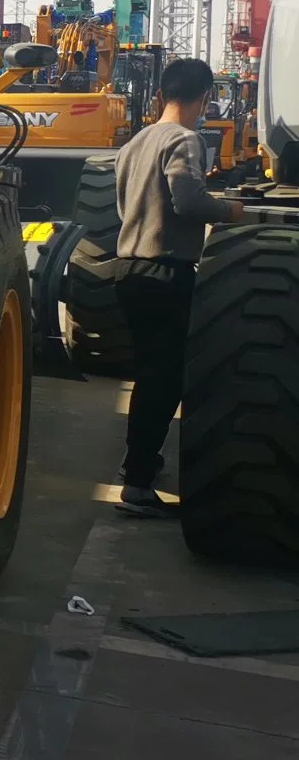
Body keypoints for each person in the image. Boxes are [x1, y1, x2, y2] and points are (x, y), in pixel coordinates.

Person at [110, 57, 256, 515]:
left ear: (160, 94)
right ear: (204, 98)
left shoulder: (136, 142)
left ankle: (139, 465)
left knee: (149, 376)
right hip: (164, 273)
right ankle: (136, 485)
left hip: (128, 269)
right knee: (165, 380)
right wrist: (231, 211)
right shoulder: (184, 139)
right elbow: (188, 199)